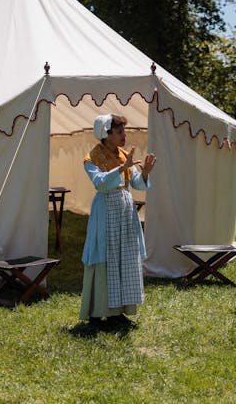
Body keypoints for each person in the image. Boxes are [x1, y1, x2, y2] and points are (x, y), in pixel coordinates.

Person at [79, 114, 156, 328]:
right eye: (119, 131)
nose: (124, 135)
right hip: (106, 209)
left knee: (125, 256)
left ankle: (118, 312)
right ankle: (98, 311)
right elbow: (100, 182)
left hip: (124, 208)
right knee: (105, 255)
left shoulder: (124, 155)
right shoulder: (92, 158)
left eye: (123, 131)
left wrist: (146, 173)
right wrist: (123, 167)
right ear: (107, 134)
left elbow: (137, 184)